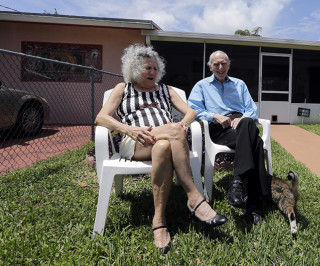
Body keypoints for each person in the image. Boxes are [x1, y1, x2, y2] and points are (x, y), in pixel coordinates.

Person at [95, 44, 227, 253]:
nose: (153, 72)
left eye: (155, 68)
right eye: (148, 68)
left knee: (164, 145)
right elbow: (101, 118)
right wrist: (129, 130)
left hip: (165, 140)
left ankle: (159, 221)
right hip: (137, 141)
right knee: (172, 132)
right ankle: (193, 196)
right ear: (135, 69)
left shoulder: (166, 90)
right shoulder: (123, 89)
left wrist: (180, 126)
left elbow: (191, 112)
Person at [188, 50, 270, 225]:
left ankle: (238, 184)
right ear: (210, 67)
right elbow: (193, 110)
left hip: (240, 124)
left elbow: (251, 109)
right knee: (256, 142)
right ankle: (255, 204)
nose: (220, 67)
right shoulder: (201, 86)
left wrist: (241, 118)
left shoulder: (239, 84)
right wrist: (214, 116)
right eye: (216, 64)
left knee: (248, 122)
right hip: (220, 129)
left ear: (229, 65)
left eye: (223, 63)